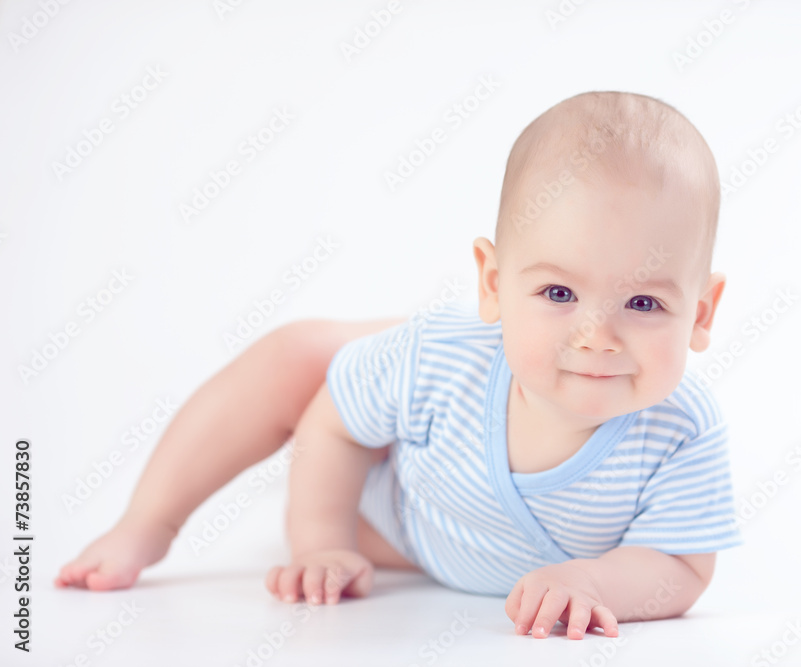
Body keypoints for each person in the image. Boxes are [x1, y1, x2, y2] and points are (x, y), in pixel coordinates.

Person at [56, 91, 742, 640]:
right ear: (494, 283)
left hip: (434, 541)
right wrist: (320, 542)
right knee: (302, 357)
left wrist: (595, 583)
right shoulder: (438, 359)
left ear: (702, 314)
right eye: (558, 293)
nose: (598, 336)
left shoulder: (681, 429)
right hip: (395, 513)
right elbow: (333, 423)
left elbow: (682, 564)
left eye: (645, 301)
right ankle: (150, 521)